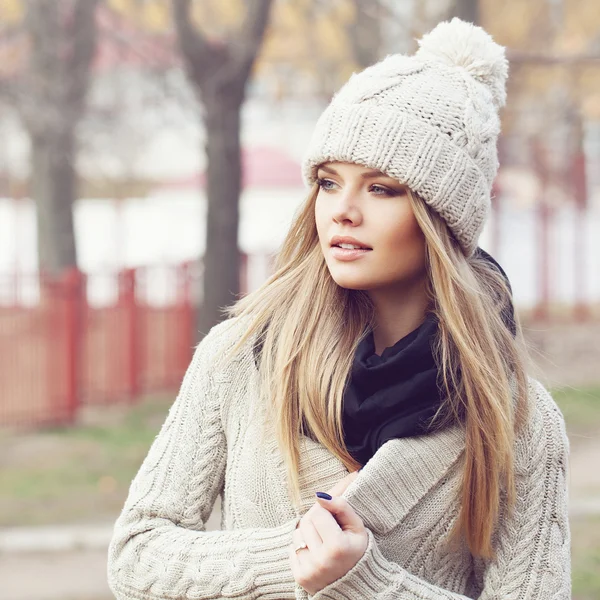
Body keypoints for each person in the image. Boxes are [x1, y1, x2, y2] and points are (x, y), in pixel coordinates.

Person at [107, 18, 570, 600]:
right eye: (329, 182)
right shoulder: (239, 360)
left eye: (381, 189)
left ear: (441, 216)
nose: (343, 211)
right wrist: (292, 555)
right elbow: (138, 554)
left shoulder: (518, 420)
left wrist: (366, 582)